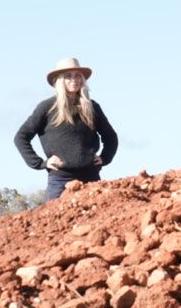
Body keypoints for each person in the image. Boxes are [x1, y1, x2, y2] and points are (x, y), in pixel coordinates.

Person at [15, 57, 120, 202]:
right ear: (59, 80)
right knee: (54, 221)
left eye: (78, 76)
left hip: (91, 178)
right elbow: (21, 137)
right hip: (60, 180)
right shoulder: (47, 107)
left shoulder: (92, 107)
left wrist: (104, 158)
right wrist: (40, 163)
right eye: (68, 76)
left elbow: (111, 137)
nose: (74, 80)